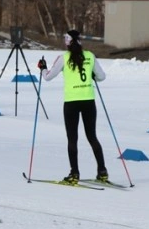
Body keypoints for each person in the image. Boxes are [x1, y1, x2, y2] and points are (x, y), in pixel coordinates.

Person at [38, 29, 108, 184]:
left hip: (72, 102)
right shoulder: (90, 55)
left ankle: (74, 174)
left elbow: (48, 77)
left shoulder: (63, 58)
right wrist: (92, 75)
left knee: (72, 139)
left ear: (67, 42)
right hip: (89, 101)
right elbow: (102, 77)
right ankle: (102, 171)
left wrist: (42, 67)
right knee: (92, 137)